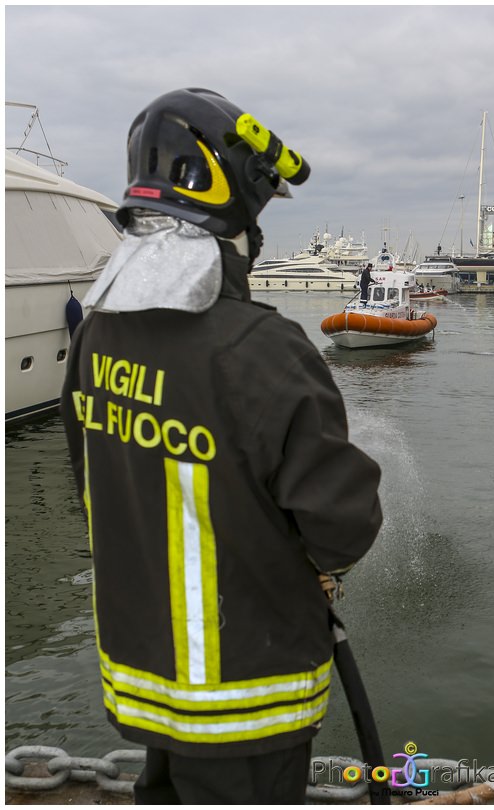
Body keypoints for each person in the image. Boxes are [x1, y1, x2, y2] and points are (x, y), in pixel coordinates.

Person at [59, 88, 383, 805]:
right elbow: (342, 522)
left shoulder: (94, 335)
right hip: (246, 692)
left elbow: (92, 479)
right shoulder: (262, 347)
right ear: (232, 199)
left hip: (145, 676)